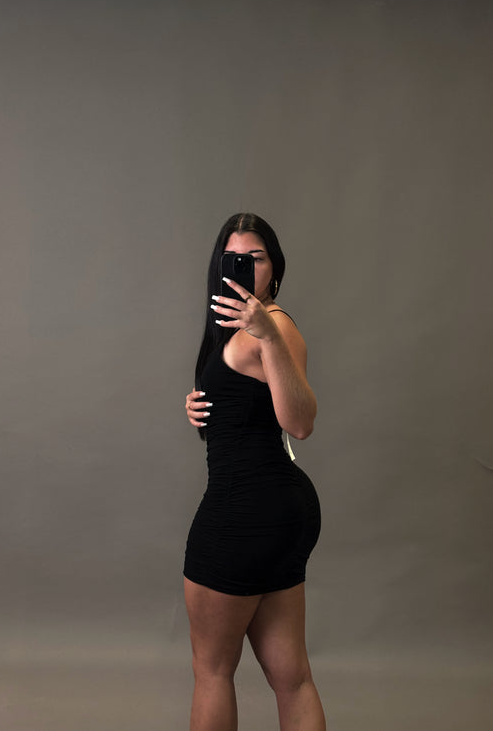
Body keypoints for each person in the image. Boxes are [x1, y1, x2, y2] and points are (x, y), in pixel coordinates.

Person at [184, 213, 326, 731]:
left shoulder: (275, 325)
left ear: (274, 268)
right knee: (293, 678)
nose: (244, 266)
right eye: (233, 258)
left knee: (212, 672)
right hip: (280, 510)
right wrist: (202, 405)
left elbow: (300, 421)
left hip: (243, 511)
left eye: (256, 257)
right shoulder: (238, 330)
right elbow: (250, 405)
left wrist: (266, 334)